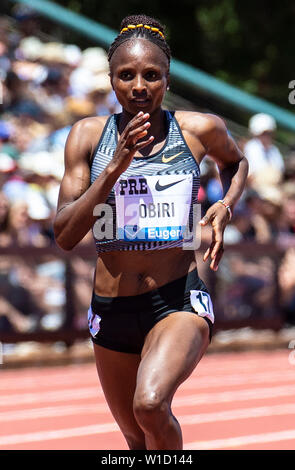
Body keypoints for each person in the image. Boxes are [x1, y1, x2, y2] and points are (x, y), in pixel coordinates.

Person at [54, 14, 248, 450]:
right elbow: (65, 233)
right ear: (111, 80)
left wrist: (225, 205)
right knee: (135, 439)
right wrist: (114, 168)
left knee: (150, 406)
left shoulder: (199, 130)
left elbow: (236, 162)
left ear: (166, 79)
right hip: (111, 309)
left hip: (177, 300)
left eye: (151, 75)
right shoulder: (87, 137)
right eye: (126, 75)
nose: (139, 86)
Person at [244, 113, 285, 187]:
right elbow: (252, 176)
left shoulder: (274, 150)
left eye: (269, 133)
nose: (267, 136)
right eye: (264, 133)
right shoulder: (251, 147)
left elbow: (279, 174)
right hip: (255, 190)